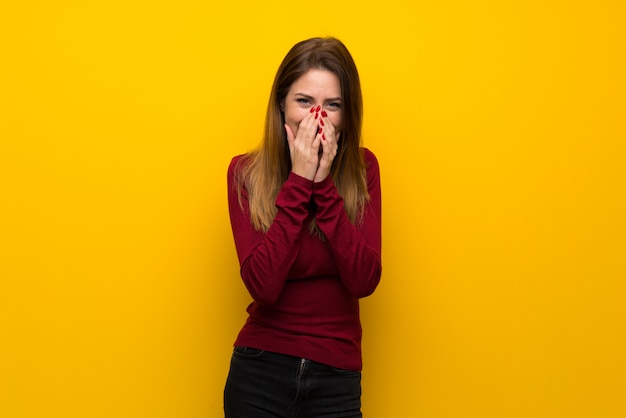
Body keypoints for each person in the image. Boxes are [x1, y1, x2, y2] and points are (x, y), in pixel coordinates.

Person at [224, 37, 382, 418]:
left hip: (336, 375)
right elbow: (262, 286)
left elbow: (365, 280)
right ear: (281, 104)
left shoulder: (364, 171)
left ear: (349, 113)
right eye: (304, 102)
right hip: (260, 369)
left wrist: (323, 185)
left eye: (333, 105)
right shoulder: (245, 174)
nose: (318, 118)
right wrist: (299, 180)